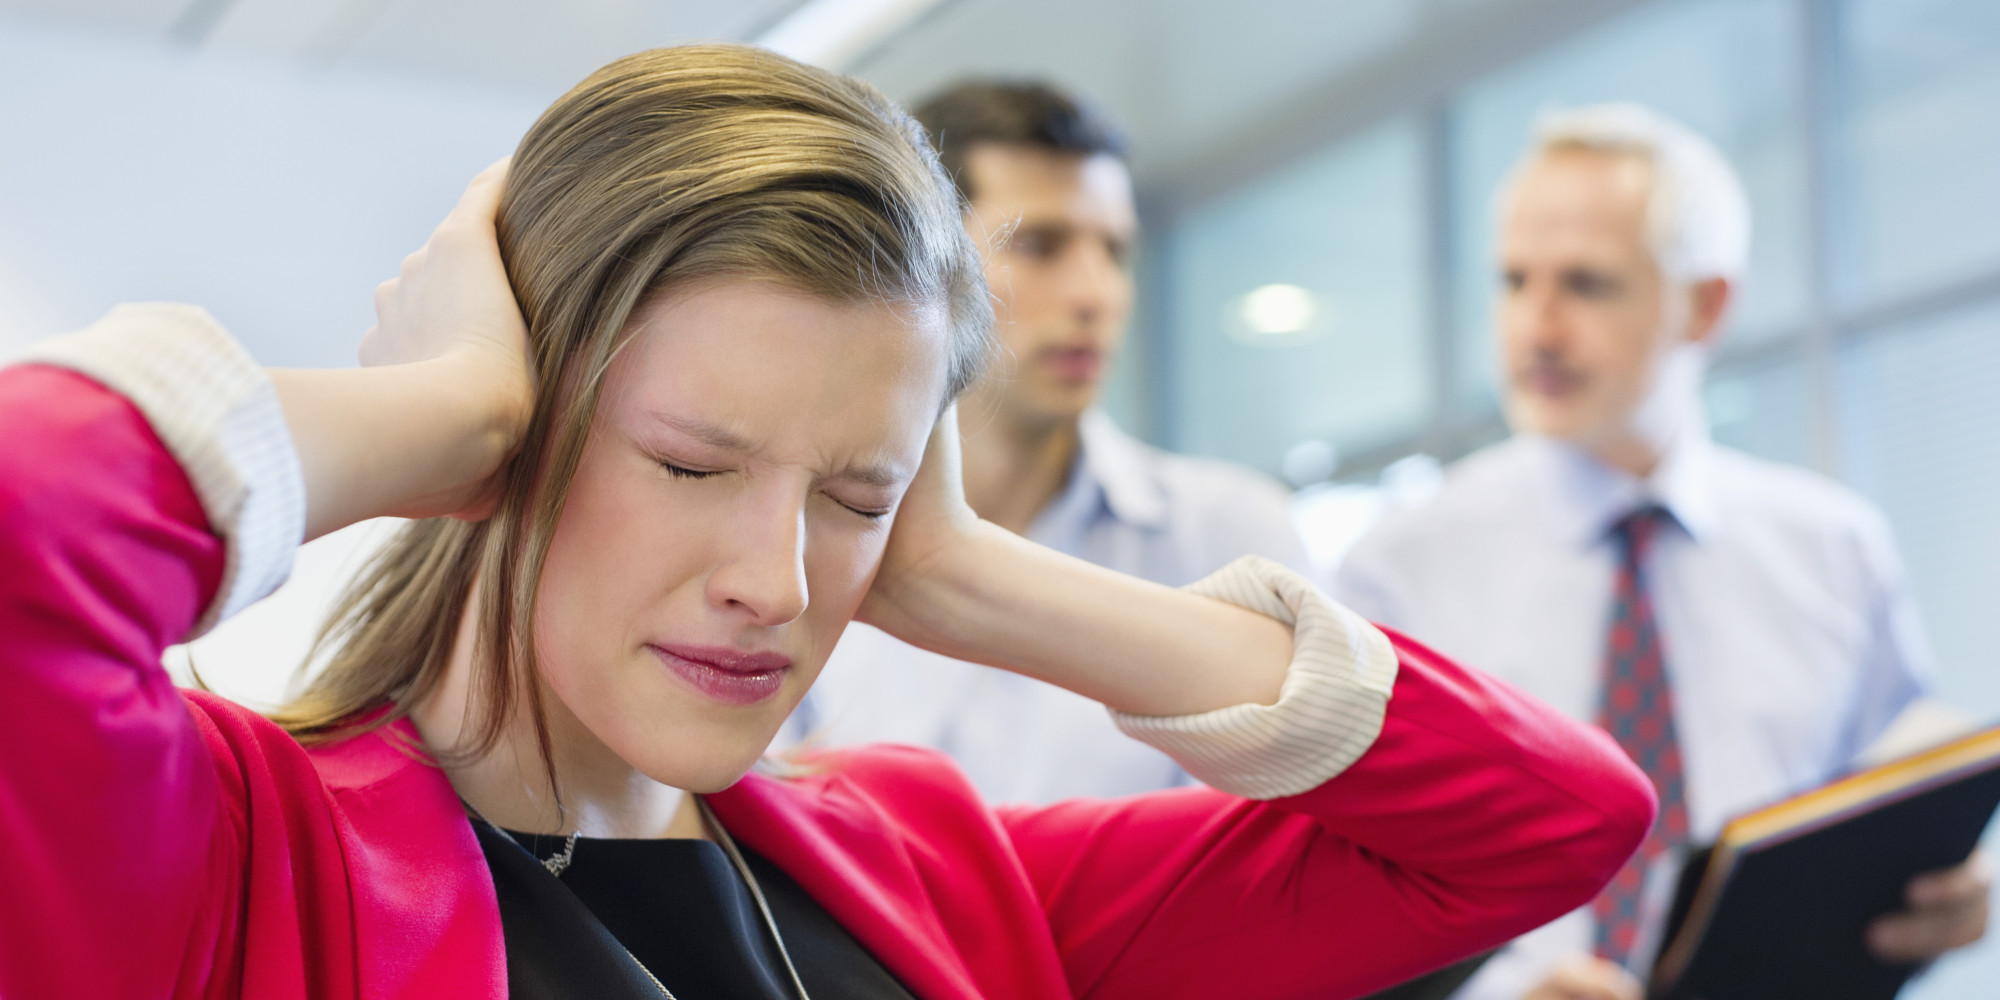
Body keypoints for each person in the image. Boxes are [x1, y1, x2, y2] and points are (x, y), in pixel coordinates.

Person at [0, 46, 1654, 999]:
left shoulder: (933, 867)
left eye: (856, 491)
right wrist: (440, 412)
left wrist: (961, 577)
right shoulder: (222, 863)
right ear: (525, 433)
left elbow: (1548, 822)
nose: (775, 584)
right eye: (693, 463)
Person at [1333, 103, 1991, 1000]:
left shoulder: (1834, 548)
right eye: (1514, 280)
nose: (1537, 326)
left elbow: (1893, 809)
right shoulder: (1400, 567)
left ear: (1706, 304)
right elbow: (1339, 901)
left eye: (1587, 283)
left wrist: (1950, 894)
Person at [789, 80, 1311, 804]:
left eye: (1115, 252)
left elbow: (1275, 832)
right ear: (929, 258)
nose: (1096, 293)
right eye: (1042, 244)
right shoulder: (804, 531)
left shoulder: (1229, 538)